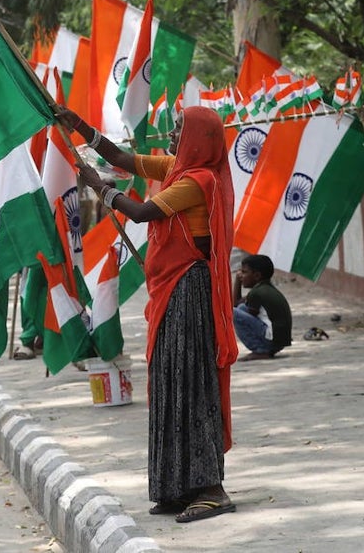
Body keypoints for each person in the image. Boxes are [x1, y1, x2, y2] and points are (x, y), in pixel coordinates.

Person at [55, 104, 238, 524]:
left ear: (197, 140)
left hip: (190, 291)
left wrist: (99, 188)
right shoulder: (177, 167)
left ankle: (211, 488)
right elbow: (122, 159)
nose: (171, 137)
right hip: (171, 290)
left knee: (190, 382)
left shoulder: (199, 181)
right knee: (169, 379)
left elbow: (141, 212)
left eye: (178, 131)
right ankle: (178, 485)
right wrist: (78, 126)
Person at [231, 254, 292, 361]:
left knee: (233, 312)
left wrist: (237, 282)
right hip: (279, 341)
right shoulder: (265, 288)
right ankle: (265, 348)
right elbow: (241, 305)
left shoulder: (257, 293)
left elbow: (234, 304)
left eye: (244, 272)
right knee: (241, 308)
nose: (241, 275)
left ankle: (260, 350)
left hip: (272, 339)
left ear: (257, 276)